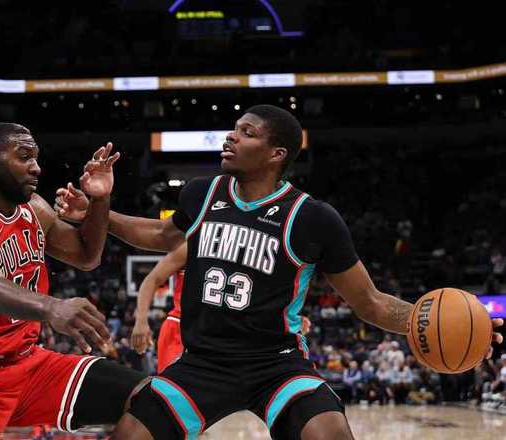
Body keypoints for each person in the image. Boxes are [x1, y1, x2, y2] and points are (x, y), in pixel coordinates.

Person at [55, 104, 504, 440]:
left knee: (330, 433)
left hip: (277, 363)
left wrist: (439, 325)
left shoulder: (312, 218)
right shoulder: (202, 193)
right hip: (203, 361)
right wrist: (98, 210)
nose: (230, 137)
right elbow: (159, 235)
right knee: (130, 433)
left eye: (246, 133)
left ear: (276, 154)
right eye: (234, 129)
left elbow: (370, 303)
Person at [0, 123, 146, 440]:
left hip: (31, 367)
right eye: (24, 157)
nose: (36, 167)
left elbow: (86, 256)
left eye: (36, 158)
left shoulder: (35, 209)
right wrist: (52, 307)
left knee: (154, 400)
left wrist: (100, 201)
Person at [131, 243, 187, 373]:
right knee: (172, 385)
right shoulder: (191, 245)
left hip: (219, 332)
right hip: (179, 327)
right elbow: (152, 279)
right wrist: (141, 321)